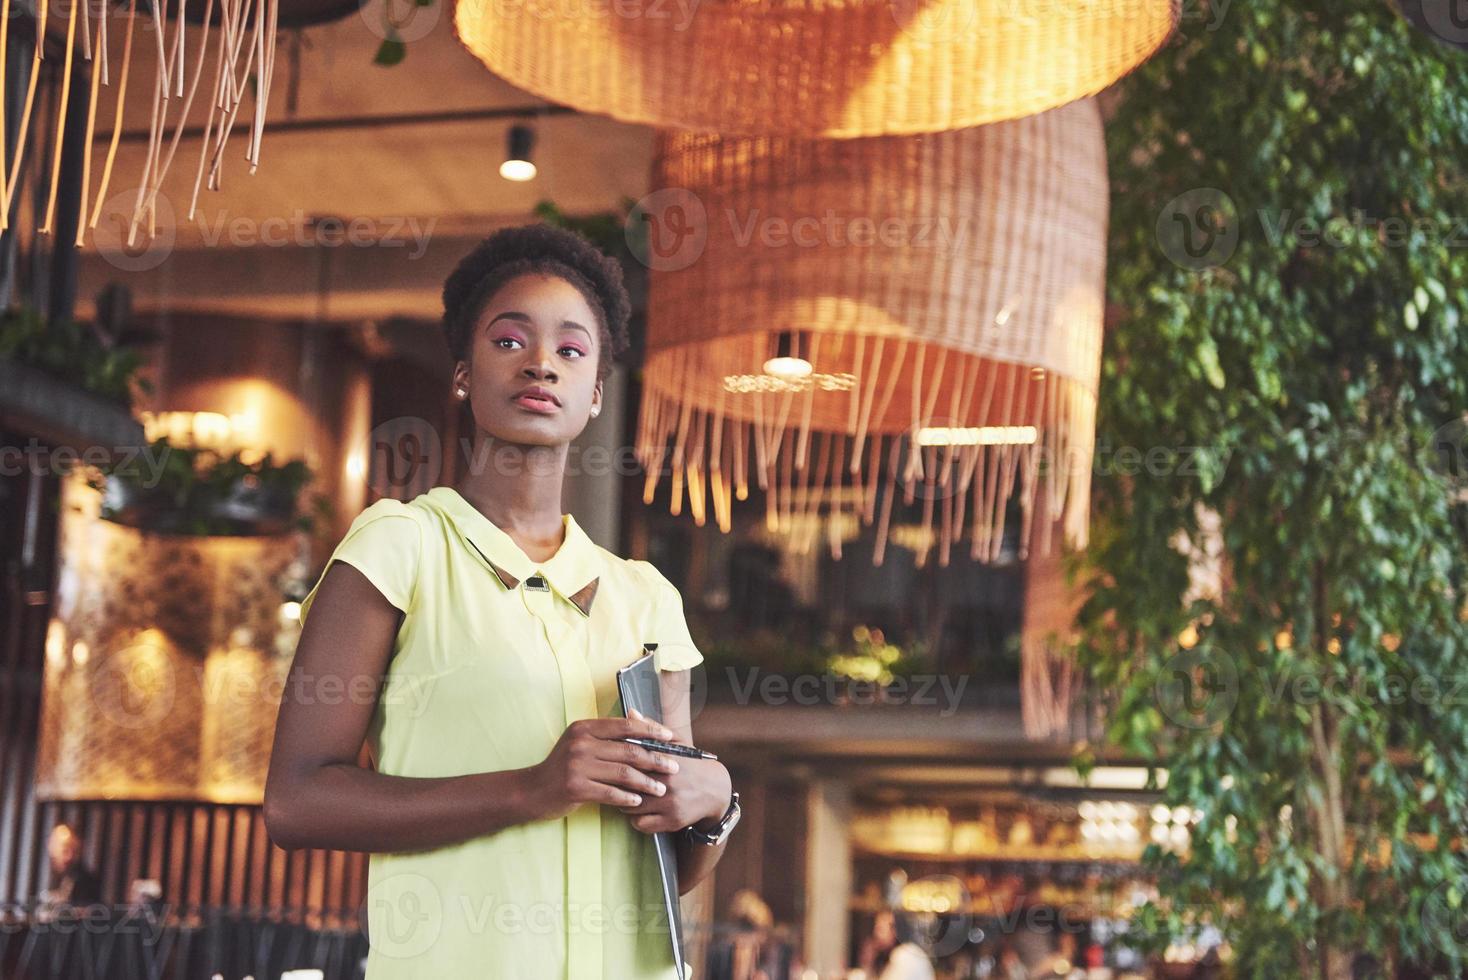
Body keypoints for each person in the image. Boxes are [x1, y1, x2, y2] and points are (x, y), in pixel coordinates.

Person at [263, 224, 738, 979]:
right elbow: (296, 803)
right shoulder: (402, 547)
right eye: (510, 341)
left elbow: (657, 869)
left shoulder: (646, 597)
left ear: (594, 397)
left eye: (571, 350)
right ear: (462, 374)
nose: (542, 363)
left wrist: (713, 809)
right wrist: (531, 788)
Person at [38, 822, 101, 914]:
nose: (69, 856)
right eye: (65, 850)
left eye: (74, 850)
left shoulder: (85, 880)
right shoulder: (50, 875)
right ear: (52, 848)